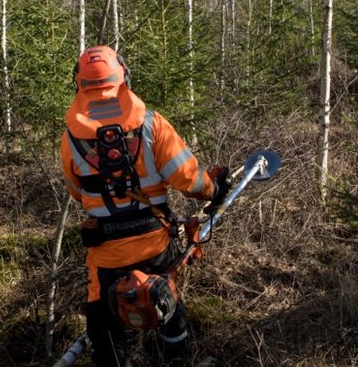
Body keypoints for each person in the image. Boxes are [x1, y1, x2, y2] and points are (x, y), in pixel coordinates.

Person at [60, 45, 230, 366]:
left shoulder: (70, 139)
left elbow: (77, 194)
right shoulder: (152, 125)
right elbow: (191, 181)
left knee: (104, 328)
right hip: (155, 248)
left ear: (79, 82)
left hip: (107, 257)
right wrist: (215, 188)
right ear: (123, 75)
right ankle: (176, 360)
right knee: (170, 312)